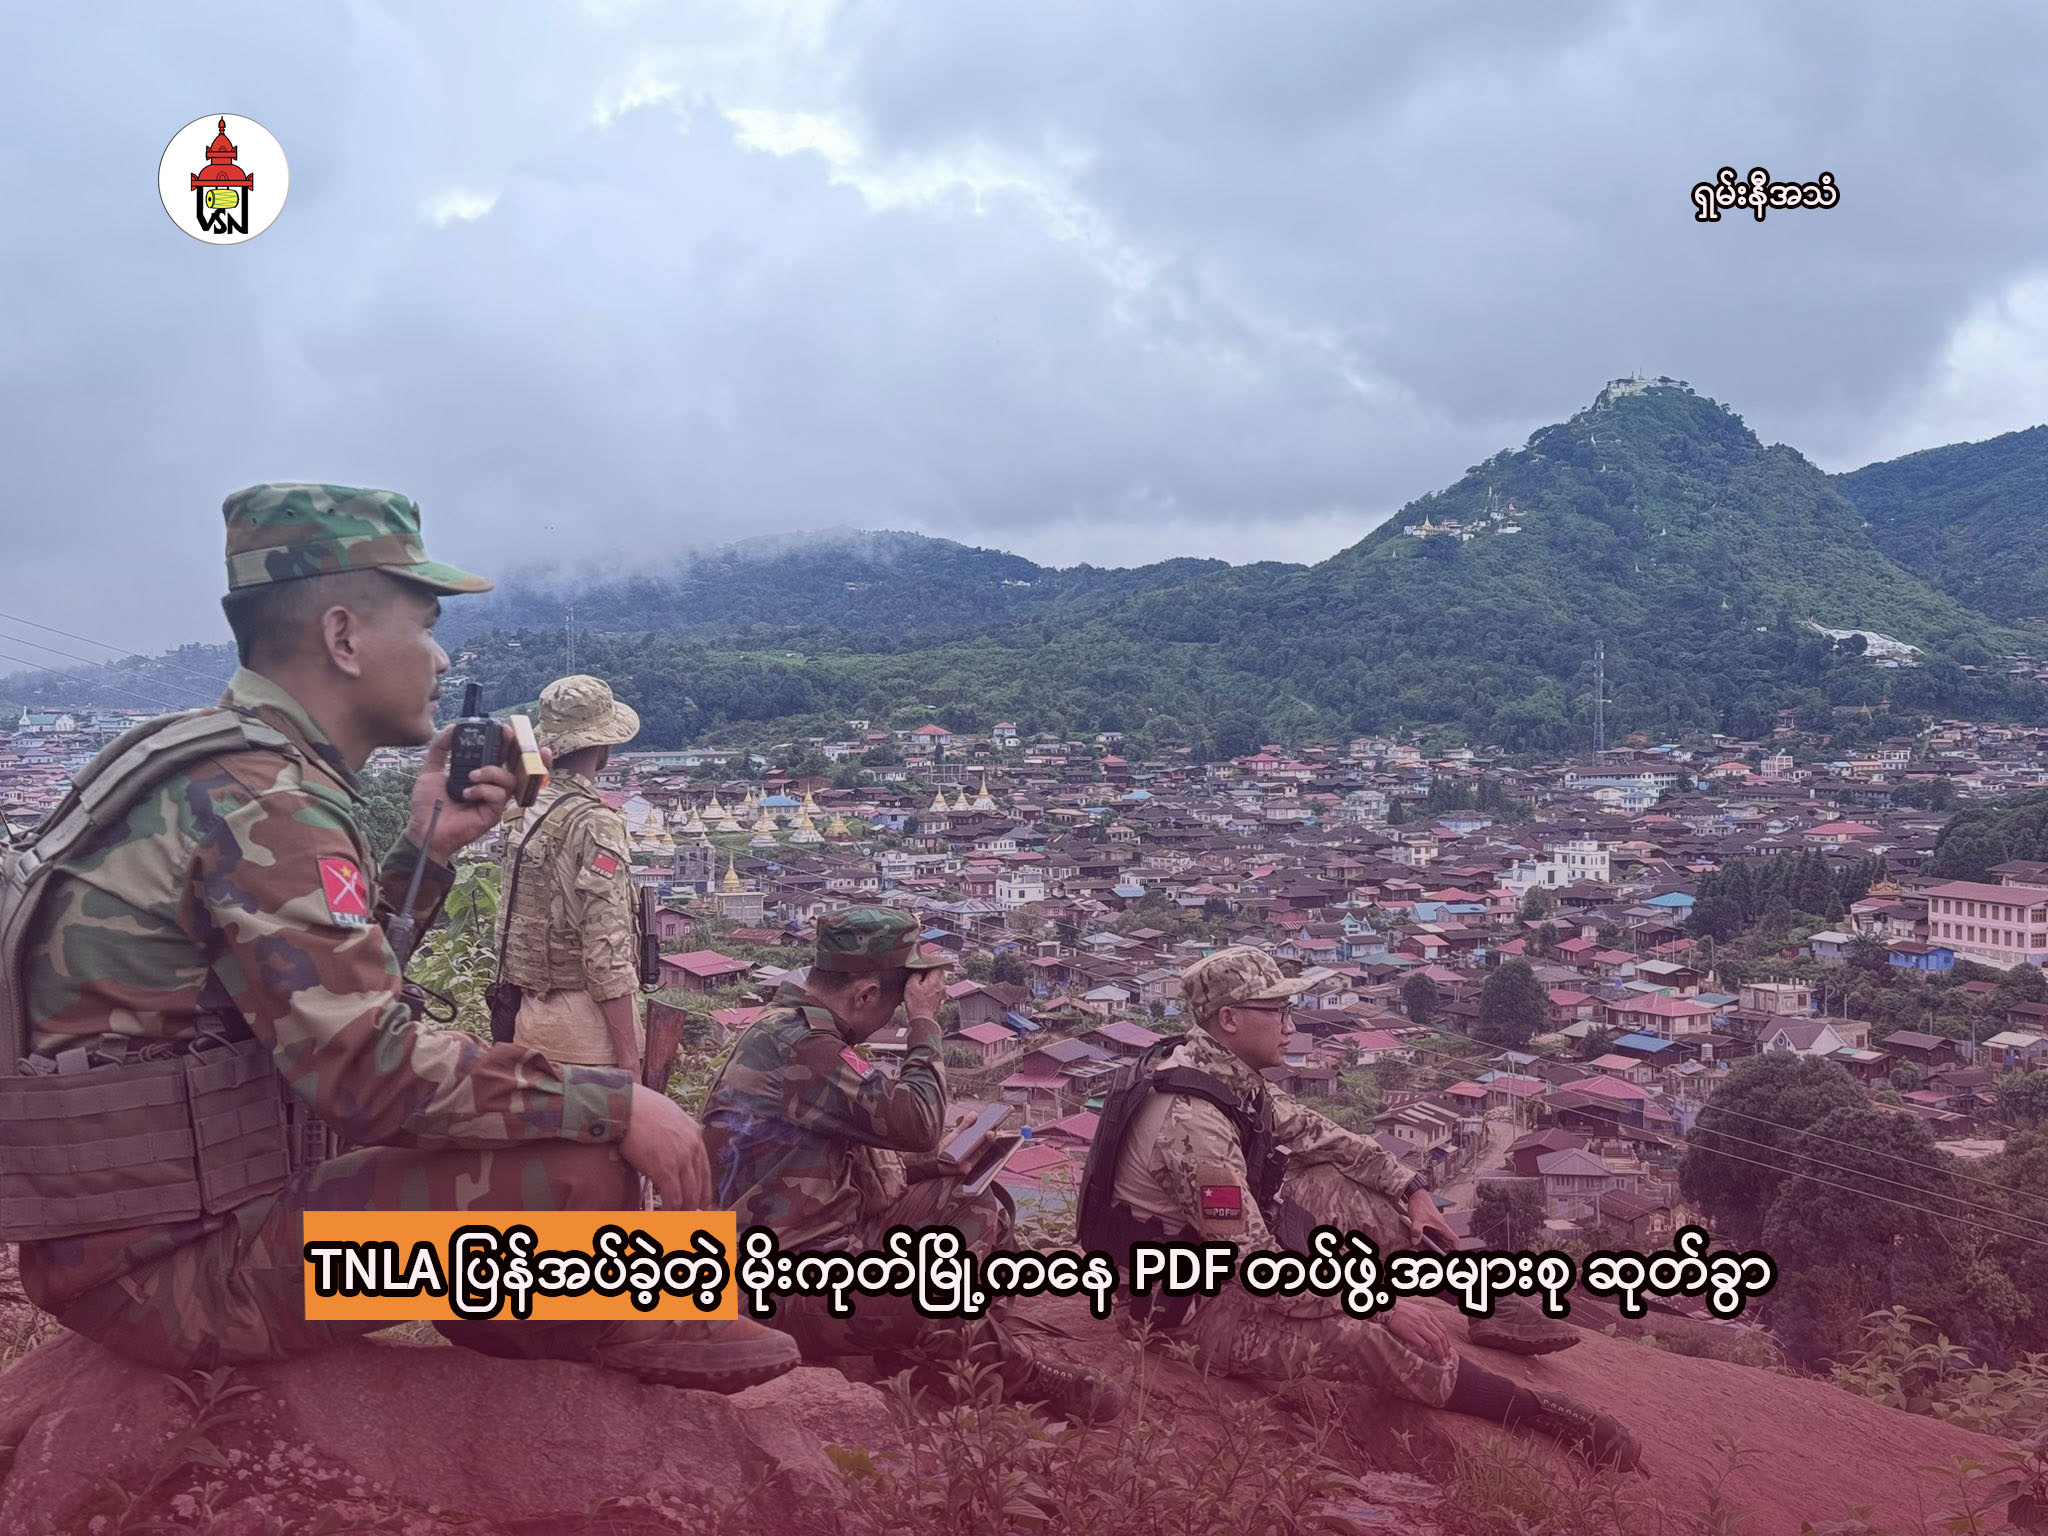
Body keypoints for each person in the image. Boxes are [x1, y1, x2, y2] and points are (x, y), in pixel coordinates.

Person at [3, 483, 797, 1392]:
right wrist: (619, 1103)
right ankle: (582, 1317)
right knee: (582, 1169)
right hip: (178, 1279)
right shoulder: (267, 799)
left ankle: (532, 1307)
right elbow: (368, 1073)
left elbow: (309, 993)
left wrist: (423, 854)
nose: (440, 655)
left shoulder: (200, 757)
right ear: (343, 637)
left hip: (142, 1240)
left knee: (539, 1132)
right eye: (424, 624)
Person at [1098, 946, 1639, 1470]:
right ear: (1230, 1018)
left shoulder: (1221, 1074)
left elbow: (1322, 1136)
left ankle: (1481, 1302)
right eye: (1277, 1011)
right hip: (1180, 1311)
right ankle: (1537, 1413)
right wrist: (1380, 1307)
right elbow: (1257, 1268)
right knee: (1367, 1338)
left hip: (1214, 1263)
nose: (1290, 1026)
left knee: (1357, 1190)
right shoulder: (1193, 1125)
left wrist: (1411, 1187)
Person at [701, 907, 1121, 1424]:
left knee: (972, 1204)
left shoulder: (795, 1030)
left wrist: (933, 1160)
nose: (898, 1014)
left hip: (832, 1238)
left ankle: (938, 1348)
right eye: (897, 1002)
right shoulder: (802, 1046)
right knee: (920, 1296)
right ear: (865, 995)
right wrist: (924, 1023)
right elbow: (917, 1122)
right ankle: (1017, 1371)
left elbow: (844, 1157)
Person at [495, 674, 644, 1075]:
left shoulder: (524, 809)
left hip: (528, 1021)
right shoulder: (596, 822)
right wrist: (629, 1058)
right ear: (603, 747)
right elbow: (606, 947)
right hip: (588, 1037)